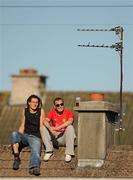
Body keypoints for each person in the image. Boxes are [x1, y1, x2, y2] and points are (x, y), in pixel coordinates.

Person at [10, 94, 45, 176]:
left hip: (35, 137)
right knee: (14, 134)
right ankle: (16, 158)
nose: (35, 104)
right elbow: (22, 125)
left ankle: (34, 167)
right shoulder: (25, 110)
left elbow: (41, 126)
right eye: (33, 102)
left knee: (36, 151)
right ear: (29, 103)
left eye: (37, 102)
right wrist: (15, 140)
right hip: (25, 135)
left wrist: (43, 140)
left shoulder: (41, 111)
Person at [40, 97, 76, 163]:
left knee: (70, 127)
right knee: (43, 128)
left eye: (61, 104)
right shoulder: (52, 112)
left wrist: (57, 128)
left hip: (64, 138)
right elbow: (45, 121)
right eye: (57, 105)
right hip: (55, 138)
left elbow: (70, 121)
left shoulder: (68, 112)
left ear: (63, 104)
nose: (60, 106)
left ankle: (69, 153)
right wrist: (51, 129)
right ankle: (49, 151)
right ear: (55, 106)